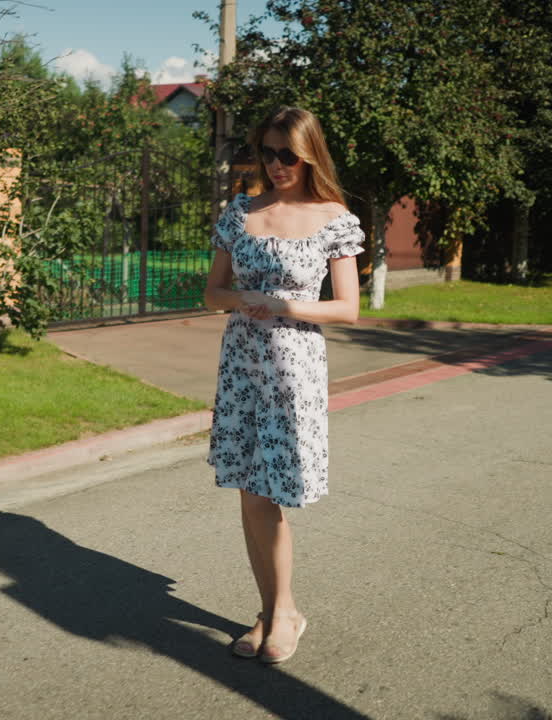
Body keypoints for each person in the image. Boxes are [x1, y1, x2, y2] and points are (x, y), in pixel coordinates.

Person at [203, 106, 364, 663]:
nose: (276, 165)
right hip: (242, 365)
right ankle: (274, 612)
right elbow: (213, 294)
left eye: (287, 155)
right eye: (268, 153)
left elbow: (347, 309)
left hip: (294, 369)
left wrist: (284, 304)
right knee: (250, 492)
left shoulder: (333, 217)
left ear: (309, 154)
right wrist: (244, 301)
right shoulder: (240, 212)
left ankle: (284, 611)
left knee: (272, 491)